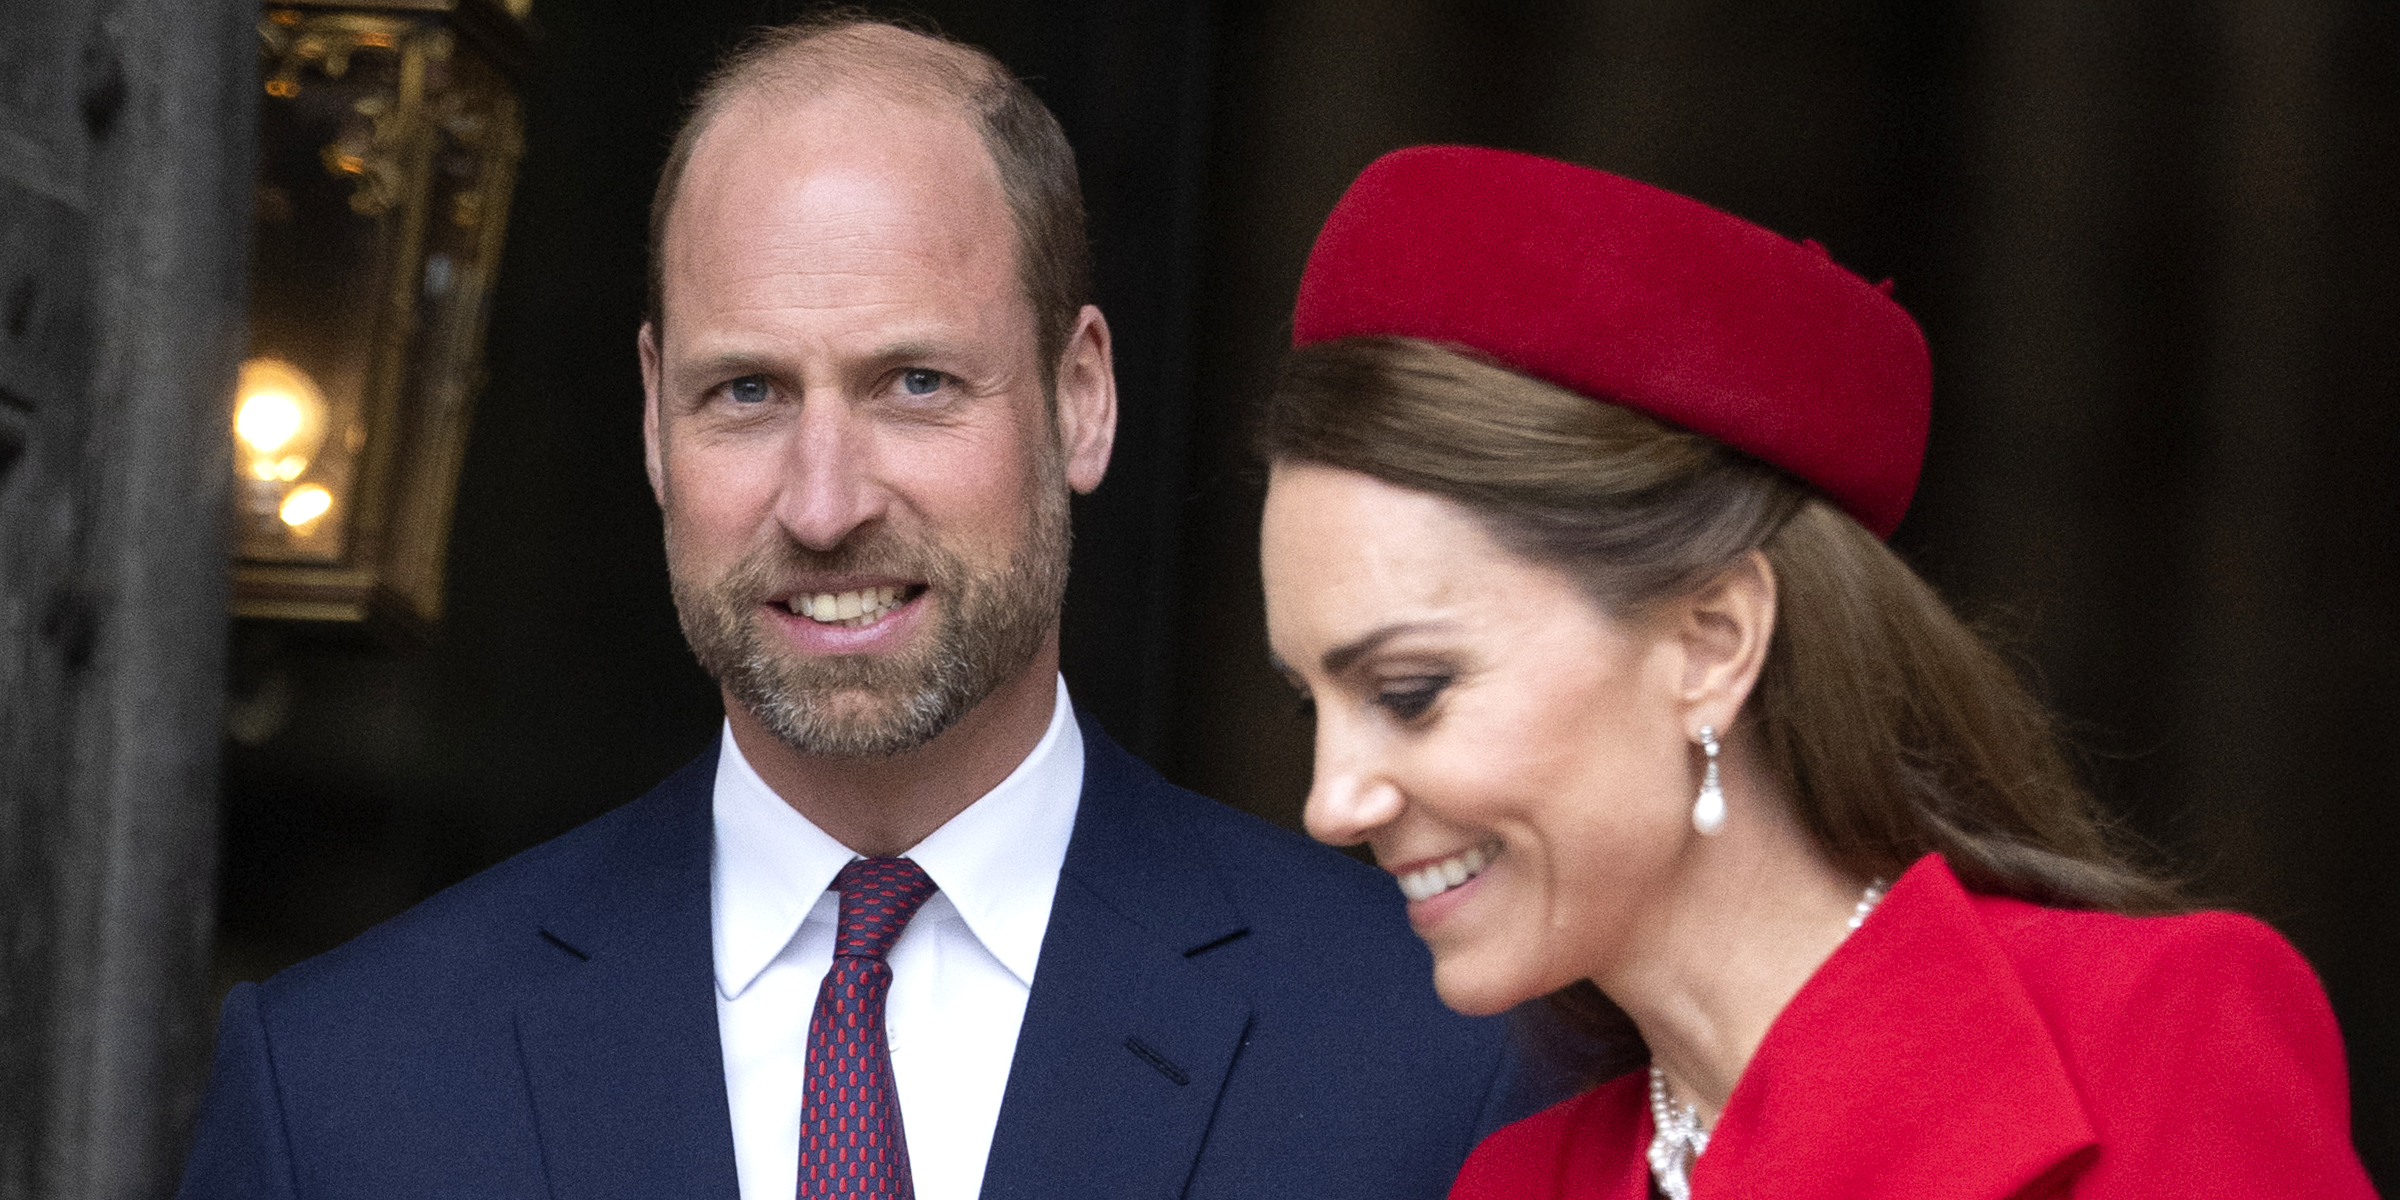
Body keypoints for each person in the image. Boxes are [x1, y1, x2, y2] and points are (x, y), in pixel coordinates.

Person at [176, 25, 1558, 1200]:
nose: (825, 503)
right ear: (655, 419)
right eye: (748, 394)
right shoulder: (347, 1092)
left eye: (914, 384)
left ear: (1081, 397)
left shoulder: (1449, 1056)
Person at [1256, 145, 2379, 1200]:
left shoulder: (2152, 1038)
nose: (1330, 801)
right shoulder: (1515, 1179)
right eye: (1317, 702)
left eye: (1409, 691)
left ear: (1713, 644)